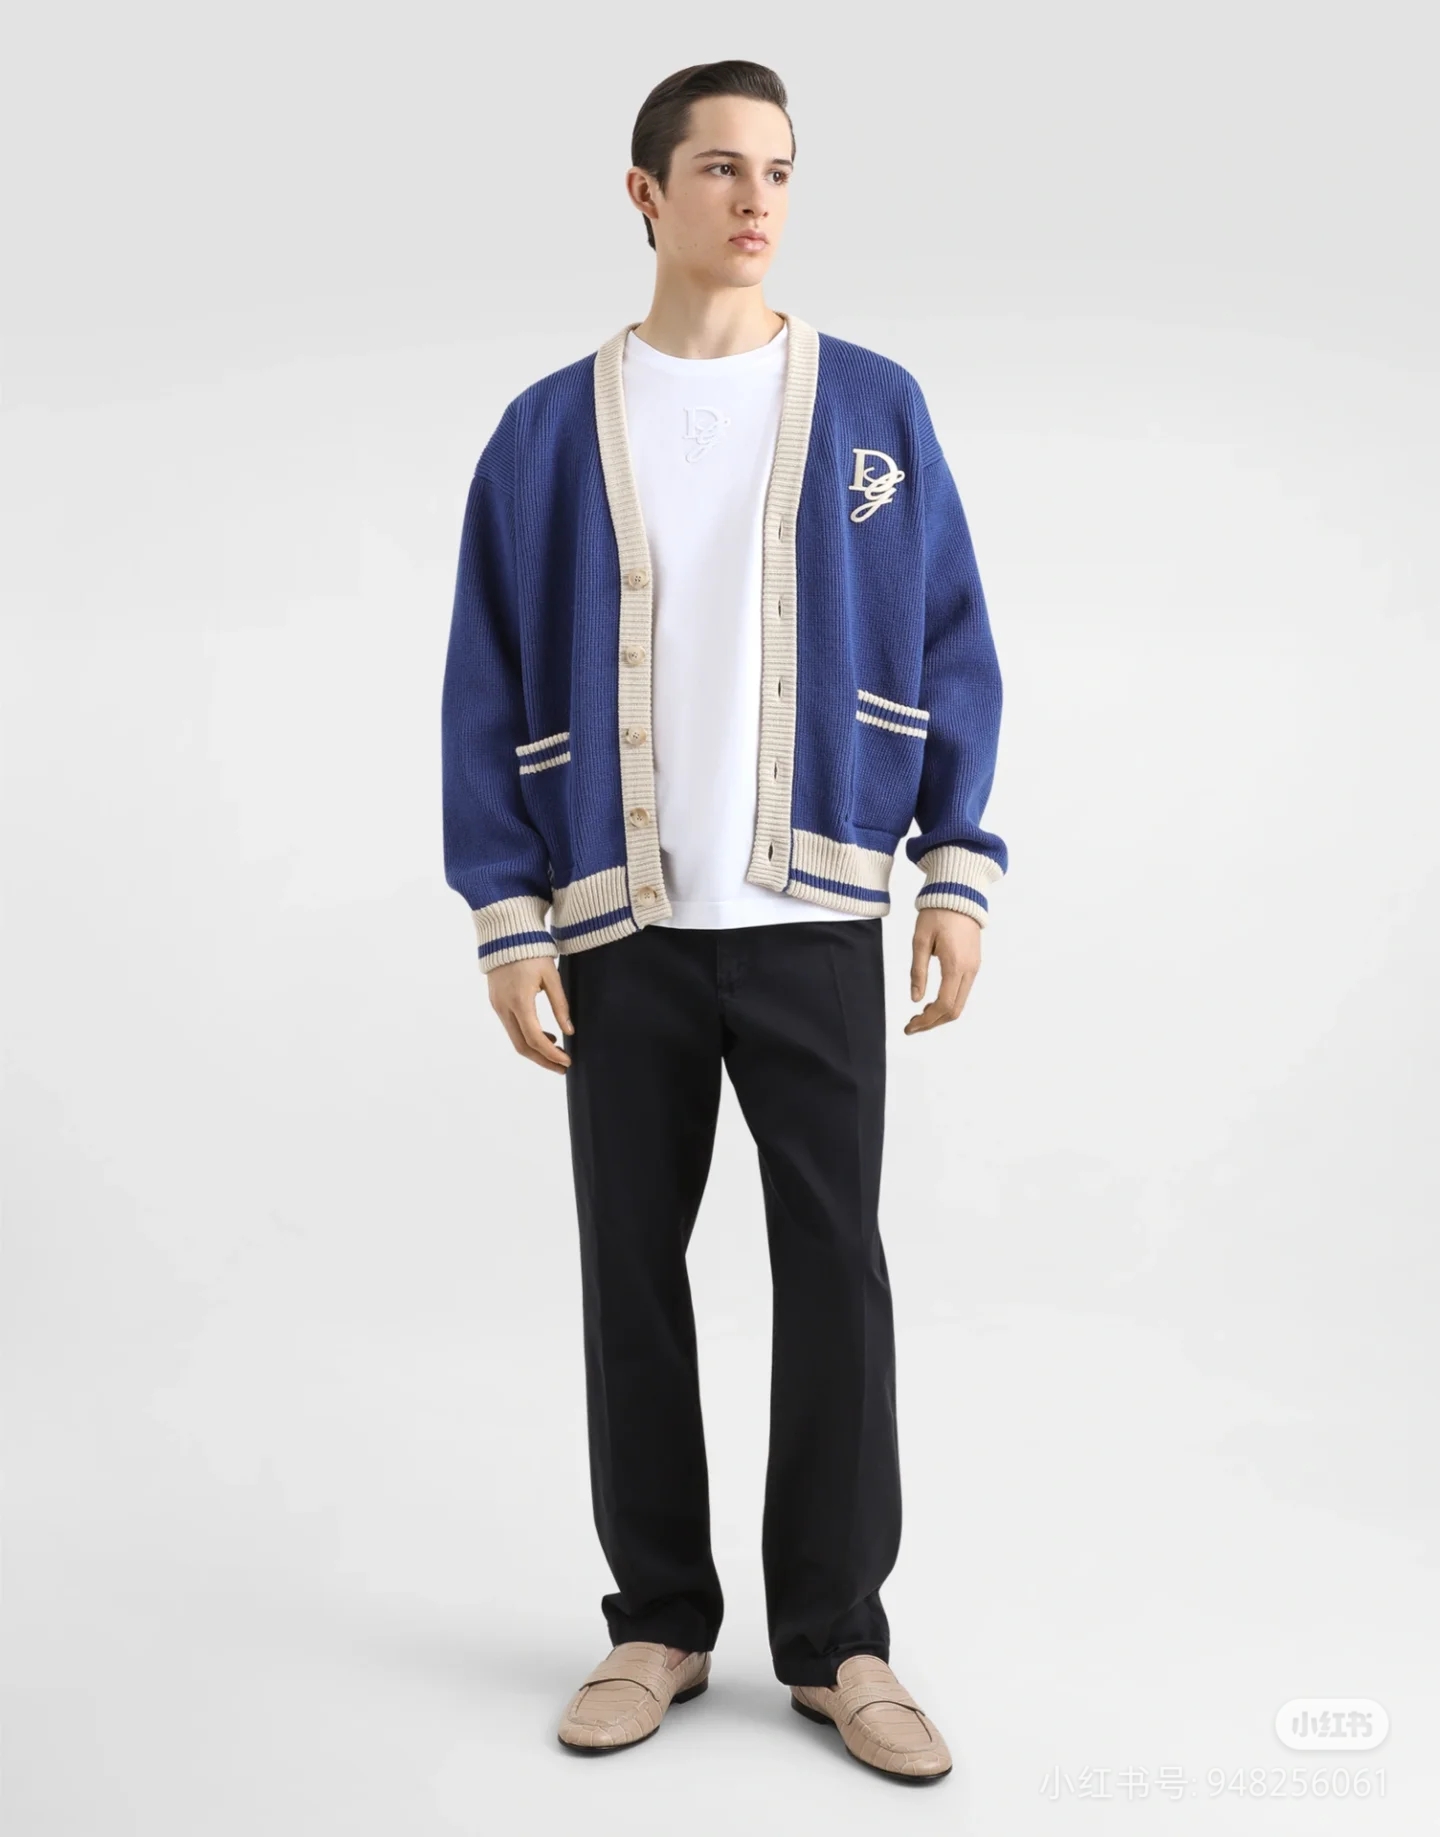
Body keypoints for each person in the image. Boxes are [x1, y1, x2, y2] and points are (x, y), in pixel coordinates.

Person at [440, 59, 1007, 1783]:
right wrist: (509, 914)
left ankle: (839, 1639)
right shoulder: (547, 431)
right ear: (644, 194)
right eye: (718, 169)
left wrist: (955, 864)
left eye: (778, 170)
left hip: (815, 907)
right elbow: (486, 679)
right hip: (620, 927)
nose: (757, 200)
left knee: (835, 1271)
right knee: (632, 1270)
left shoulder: (875, 407)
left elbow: (950, 637)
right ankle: (658, 1622)